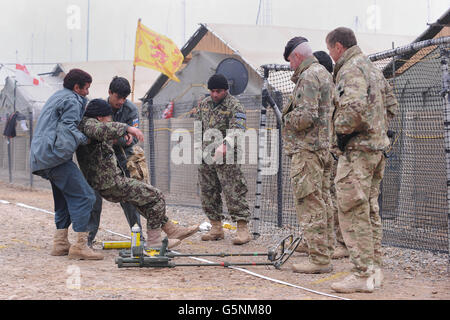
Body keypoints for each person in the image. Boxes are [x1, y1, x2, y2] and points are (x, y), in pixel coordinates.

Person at [325, 27, 398, 293]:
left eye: (331, 50)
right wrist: (376, 129)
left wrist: (341, 136)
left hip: (358, 152)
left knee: (352, 210)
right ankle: (374, 271)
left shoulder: (350, 68)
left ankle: (361, 273)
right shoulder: (372, 69)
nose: (332, 56)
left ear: (338, 47)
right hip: (376, 150)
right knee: (368, 210)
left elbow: (353, 109)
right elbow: (391, 106)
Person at [76, 99, 199, 249]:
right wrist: (128, 128)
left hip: (108, 181)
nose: (110, 120)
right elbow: (101, 130)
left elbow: (102, 136)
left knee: (143, 200)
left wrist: (119, 137)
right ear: (100, 118)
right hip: (110, 183)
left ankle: (171, 230)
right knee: (157, 196)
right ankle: (154, 242)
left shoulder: (89, 125)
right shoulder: (89, 124)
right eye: (108, 117)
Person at [30, 68, 102, 260]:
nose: (87, 92)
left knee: (65, 198)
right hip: (54, 157)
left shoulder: (58, 96)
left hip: (41, 156)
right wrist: (85, 139)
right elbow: (68, 127)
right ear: (76, 87)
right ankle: (80, 245)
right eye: (86, 88)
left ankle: (60, 243)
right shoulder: (72, 100)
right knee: (85, 196)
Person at [282, 37, 335, 273]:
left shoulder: (308, 76)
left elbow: (305, 117)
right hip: (323, 149)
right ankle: (325, 248)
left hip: (308, 151)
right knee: (323, 201)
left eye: (291, 61)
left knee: (310, 203)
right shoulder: (324, 73)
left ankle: (319, 259)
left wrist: (285, 117)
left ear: (296, 56)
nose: (291, 67)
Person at [194, 74, 252, 245]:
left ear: (226, 90)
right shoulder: (204, 105)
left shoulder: (235, 106)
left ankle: (242, 228)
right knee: (208, 190)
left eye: (218, 91)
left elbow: (237, 129)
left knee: (234, 191)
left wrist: (225, 145)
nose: (214, 94)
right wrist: (198, 145)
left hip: (229, 157)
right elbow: (198, 125)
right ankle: (216, 227)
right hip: (207, 156)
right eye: (212, 91)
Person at [86, 76, 144, 246]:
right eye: (118, 97)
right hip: (100, 159)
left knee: (130, 197)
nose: (121, 101)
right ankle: (88, 238)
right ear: (110, 92)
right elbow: (95, 134)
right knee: (94, 199)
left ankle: (138, 237)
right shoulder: (98, 108)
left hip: (125, 158)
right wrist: (118, 136)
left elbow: (131, 140)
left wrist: (112, 138)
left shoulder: (131, 109)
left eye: (124, 98)